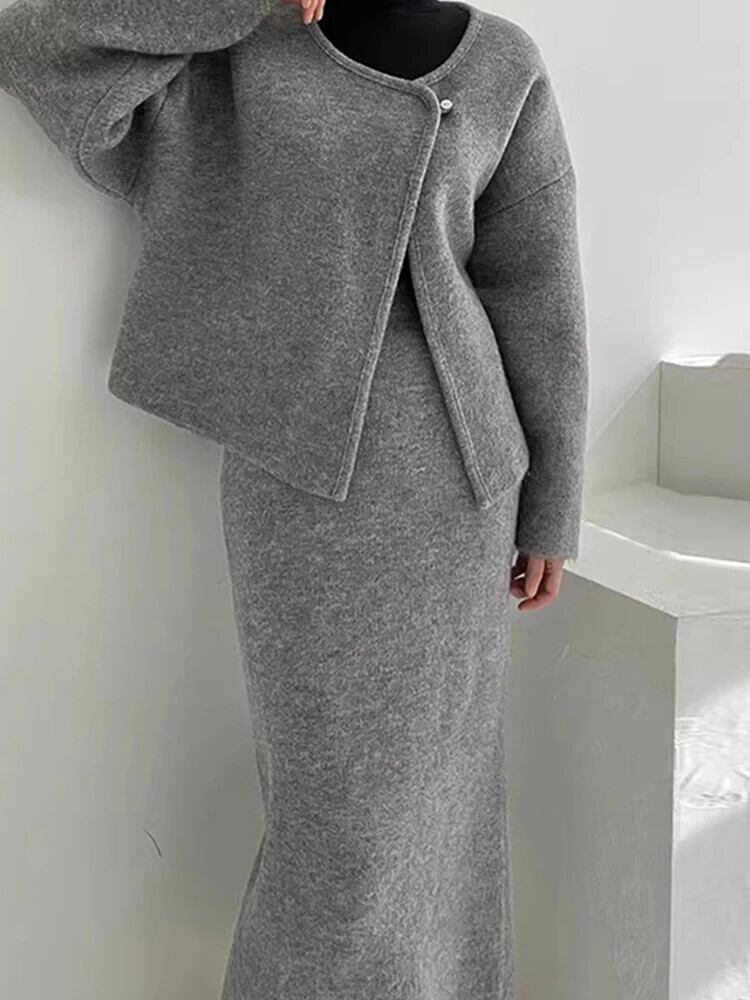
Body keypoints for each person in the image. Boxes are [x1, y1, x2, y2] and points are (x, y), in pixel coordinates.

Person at [0, 0, 589, 996]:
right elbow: (35, 46)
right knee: (338, 831)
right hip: (300, 477)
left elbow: (539, 291)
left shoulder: (502, 63)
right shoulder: (247, 44)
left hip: (464, 482)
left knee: (443, 806)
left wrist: (552, 507)